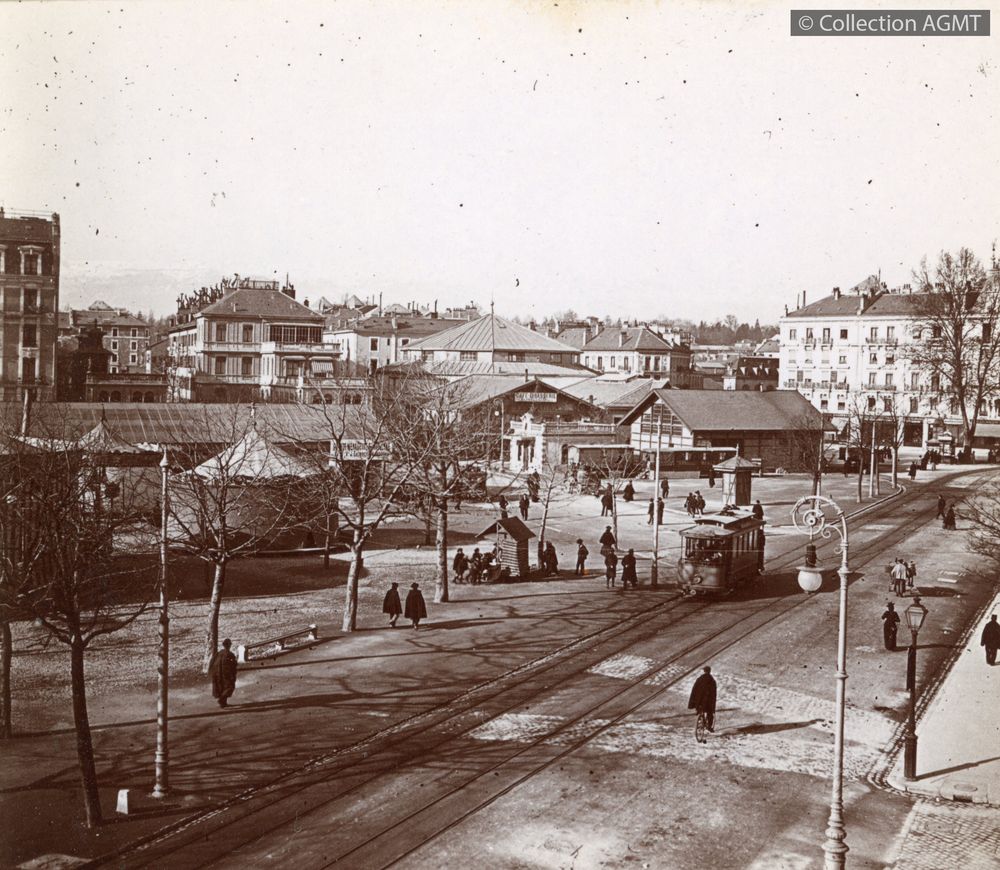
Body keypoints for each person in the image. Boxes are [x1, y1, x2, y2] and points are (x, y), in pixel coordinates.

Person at [208, 638, 238, 708]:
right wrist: (233, 674)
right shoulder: (230, 654)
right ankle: (222, 700)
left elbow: (212, 662)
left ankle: (223, 703)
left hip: (217, 673)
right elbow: (234, 665)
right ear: (229, 645)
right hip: (226, 674)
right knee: (229, 687)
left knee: (221, 687)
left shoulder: (219, 653)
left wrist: (212, 671)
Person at [688, 666, 717, 734]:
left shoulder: (700, 679)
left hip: (699, 700)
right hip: (707, 700)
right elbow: (713, 693)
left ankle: (700, 715)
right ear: (709, 671)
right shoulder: (712, 680)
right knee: (710, 712)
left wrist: (694, 700)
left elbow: (694, 689)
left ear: (704, 671)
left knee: (700, 709)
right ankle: (709, 726)